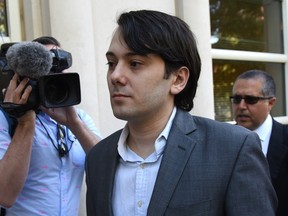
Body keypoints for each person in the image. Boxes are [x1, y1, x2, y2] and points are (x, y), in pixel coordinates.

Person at [85, 10, 277, 216]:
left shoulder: (233, 149)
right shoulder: (98, 159)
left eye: (135, 64)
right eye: (111, 63)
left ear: (178, 79)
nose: (116, 76)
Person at [0, 36, 102, 215]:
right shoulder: (6, 119)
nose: (52, 77)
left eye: (58, 69)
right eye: (44, 71)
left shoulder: (80, 118)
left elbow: (108, 167)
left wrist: (74, 124)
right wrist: (25, 121)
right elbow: (4, 196)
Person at [231, 69, 288, 216]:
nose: (241, 106)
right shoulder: (220, 141)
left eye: (251, 99)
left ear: (271, 103)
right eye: (236, 99)